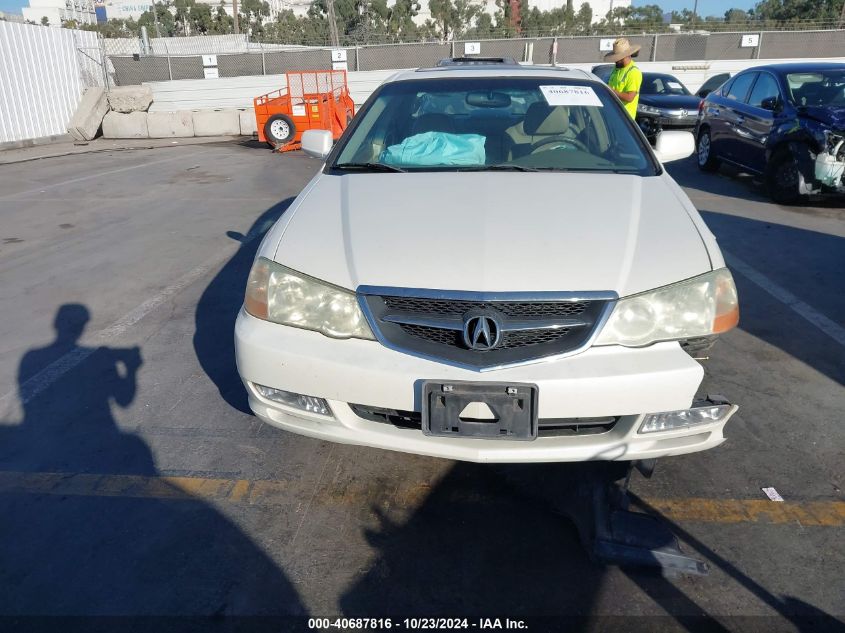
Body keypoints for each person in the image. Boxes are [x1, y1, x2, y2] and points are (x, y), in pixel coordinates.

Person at [605, 38, 643, 120]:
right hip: (612, 115)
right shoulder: (616, 68)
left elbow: (629, 97)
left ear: (625, 56)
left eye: (617, 58)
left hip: (624, 120)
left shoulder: (633, 72)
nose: (615, 61)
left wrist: (610, 91)